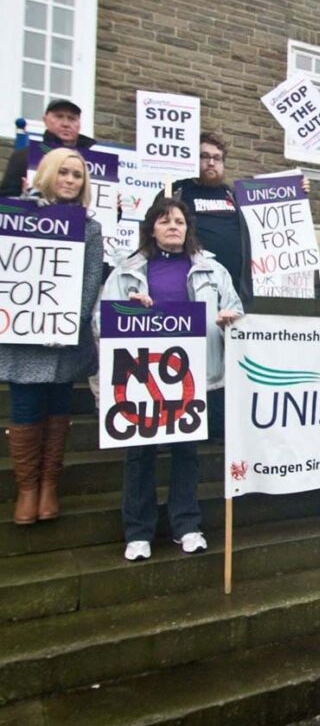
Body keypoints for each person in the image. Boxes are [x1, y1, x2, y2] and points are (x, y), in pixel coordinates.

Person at [100, 198, 242, 561]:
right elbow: (100, 323)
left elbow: (238, 313)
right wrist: (129, 310)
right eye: (165, 221)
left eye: (179, 221)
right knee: (140, 454)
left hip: (193, 377)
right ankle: (138, 531)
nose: (173, 226)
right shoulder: (126, 272)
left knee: (187, 453)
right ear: (151, 228)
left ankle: (187, 525)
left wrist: (230, 321)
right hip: (140, 380)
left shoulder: (212, 270)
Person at [0, 148, 103, 524]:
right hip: (22, 335)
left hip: (63, 336)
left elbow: (91, 279)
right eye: (64, 172)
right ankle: (27, 489)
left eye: (78, 175)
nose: (71, 181)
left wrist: (64, 321)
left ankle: (49, 487)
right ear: (47, 173)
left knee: (59, 410)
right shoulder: (13, 216)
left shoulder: (90, 227)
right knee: (26, 409)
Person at [167, 132, 253, 310]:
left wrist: (297, 190)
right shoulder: (176, 192)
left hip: (232, 291)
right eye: (204, 156)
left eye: (217, 158)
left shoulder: (234, 195)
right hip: (189, 288)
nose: (211, 162)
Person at [0, 99, 95, 197]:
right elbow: (5, 201)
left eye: (72, 118)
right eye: (59, 116)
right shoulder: (23, 156)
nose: (65, 124)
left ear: (79, 124)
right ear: (45, 120)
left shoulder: (97, 161)